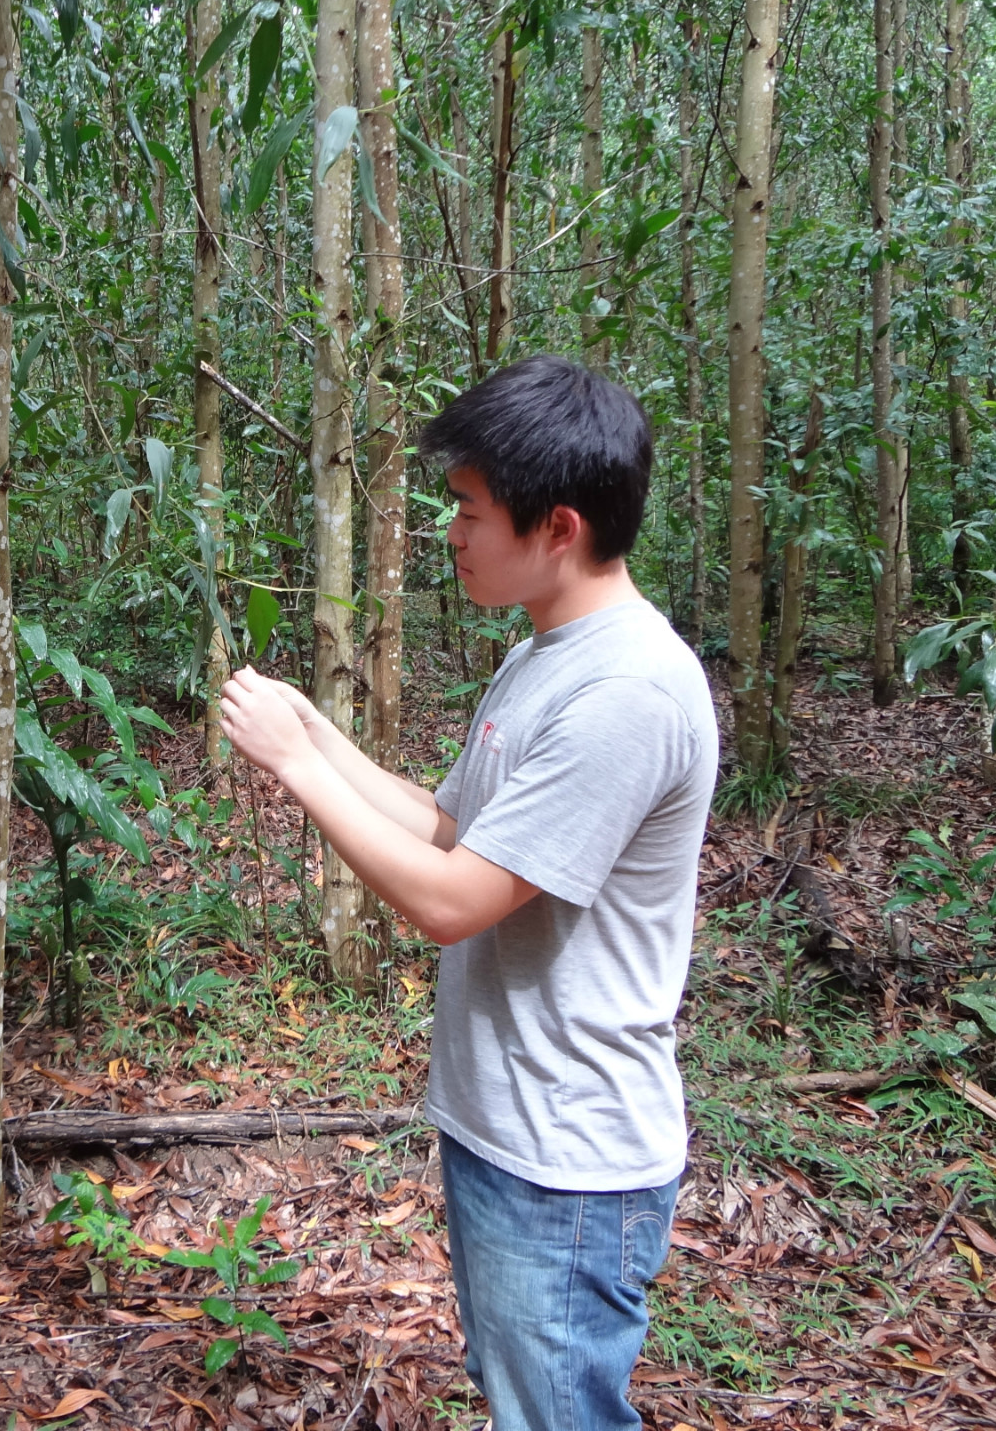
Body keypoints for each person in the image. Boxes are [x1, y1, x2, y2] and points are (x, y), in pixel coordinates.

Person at [218, 354, 719, 1431]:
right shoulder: (545, 654)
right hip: (508, 1122)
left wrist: (296, 769)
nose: (449, 532)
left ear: (558, 528)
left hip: (568, 1153)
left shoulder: (627, 692)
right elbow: (454, 831)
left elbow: (452, 901)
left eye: (469, 509)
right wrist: (316, 736)